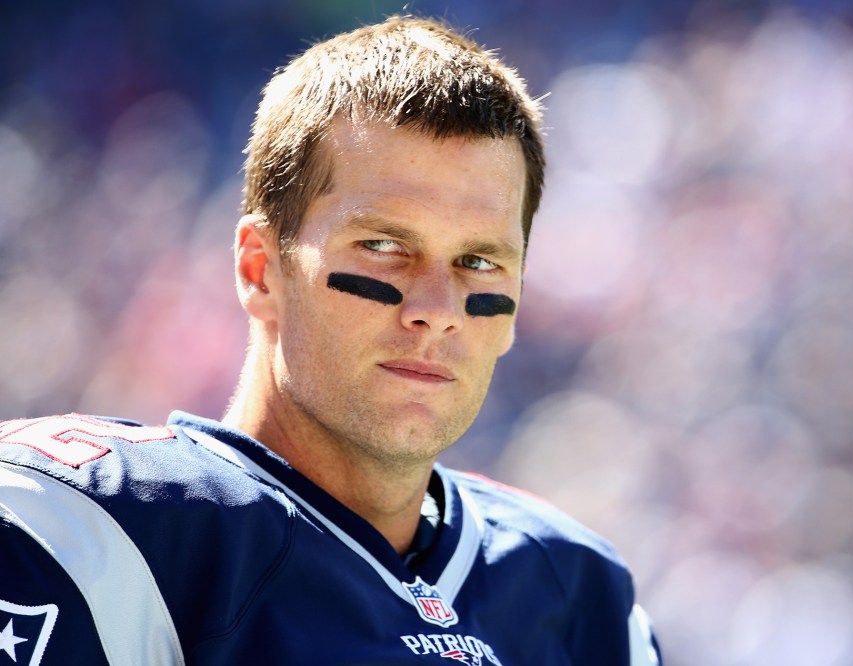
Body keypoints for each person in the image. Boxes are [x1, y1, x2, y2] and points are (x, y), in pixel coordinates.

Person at [0, 15, 661, 665]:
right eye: (384, 247)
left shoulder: (578, 593)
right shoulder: (89, 528)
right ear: (260, 269)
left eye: (479, 262)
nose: (437, 311)